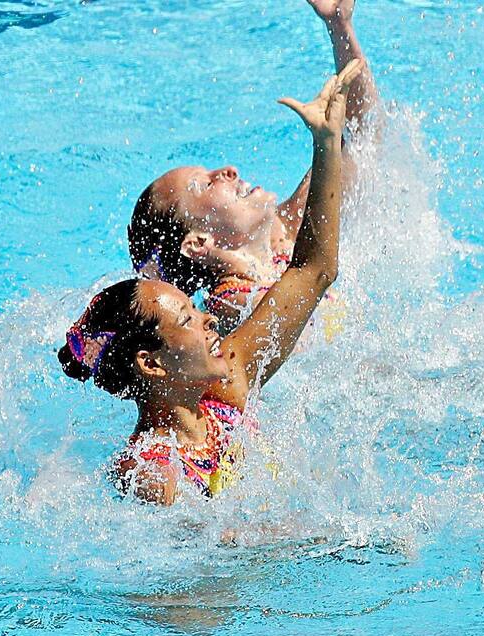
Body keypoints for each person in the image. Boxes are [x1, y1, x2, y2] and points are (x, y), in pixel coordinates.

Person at [60, 61, 362, 505]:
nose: (207, 319)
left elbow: (313, 271)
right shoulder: (148, 471)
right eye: (188, 316)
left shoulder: (230, 386)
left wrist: (326, 143)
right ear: (153, 364)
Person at [128, 0, 377, 334]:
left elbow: (360, 133)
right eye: (204, 184)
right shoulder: (228, 309)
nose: (228, 170)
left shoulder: (289, 231)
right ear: (199, 243)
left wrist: (340, 26)